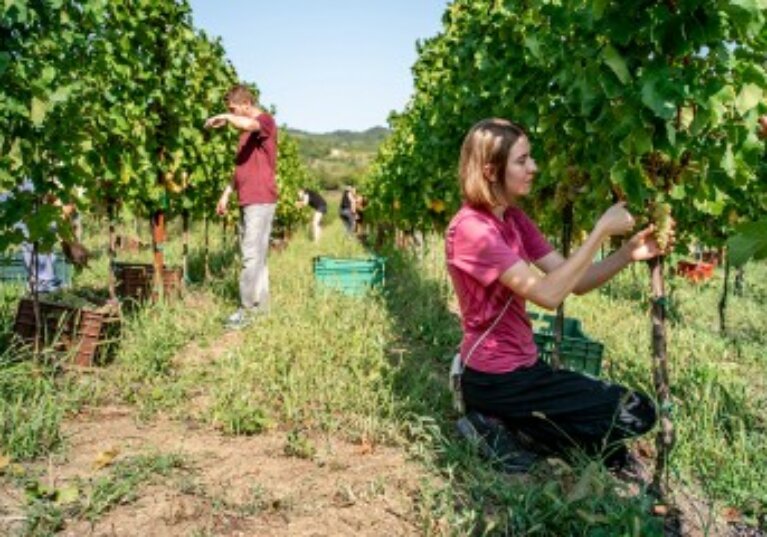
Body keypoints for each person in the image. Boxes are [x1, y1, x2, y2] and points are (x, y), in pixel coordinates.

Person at [447, 118, 666, 473]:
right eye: (522, 160)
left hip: (526, 368)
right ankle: (490, 420)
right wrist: (599, 232)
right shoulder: (473, 229)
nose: (533, 168)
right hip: (496, 376)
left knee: (610, 443)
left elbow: (574, 282)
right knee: (636, 411)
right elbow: (547, 295)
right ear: (490, 170)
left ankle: (509, 425)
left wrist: (626, 253)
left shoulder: (514, 220)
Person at [205, 84, 278, 329]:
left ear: (246, 104)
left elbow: (248, 123)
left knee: (250, 255)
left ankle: (246, 310)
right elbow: (239, 170)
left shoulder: (264, 121)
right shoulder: (245, 136)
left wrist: (225, 117)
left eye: (234, 109)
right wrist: (226, 194)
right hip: (247, 198)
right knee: (257, 257)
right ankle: (262, 310)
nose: (233, 114)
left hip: (260, 198)